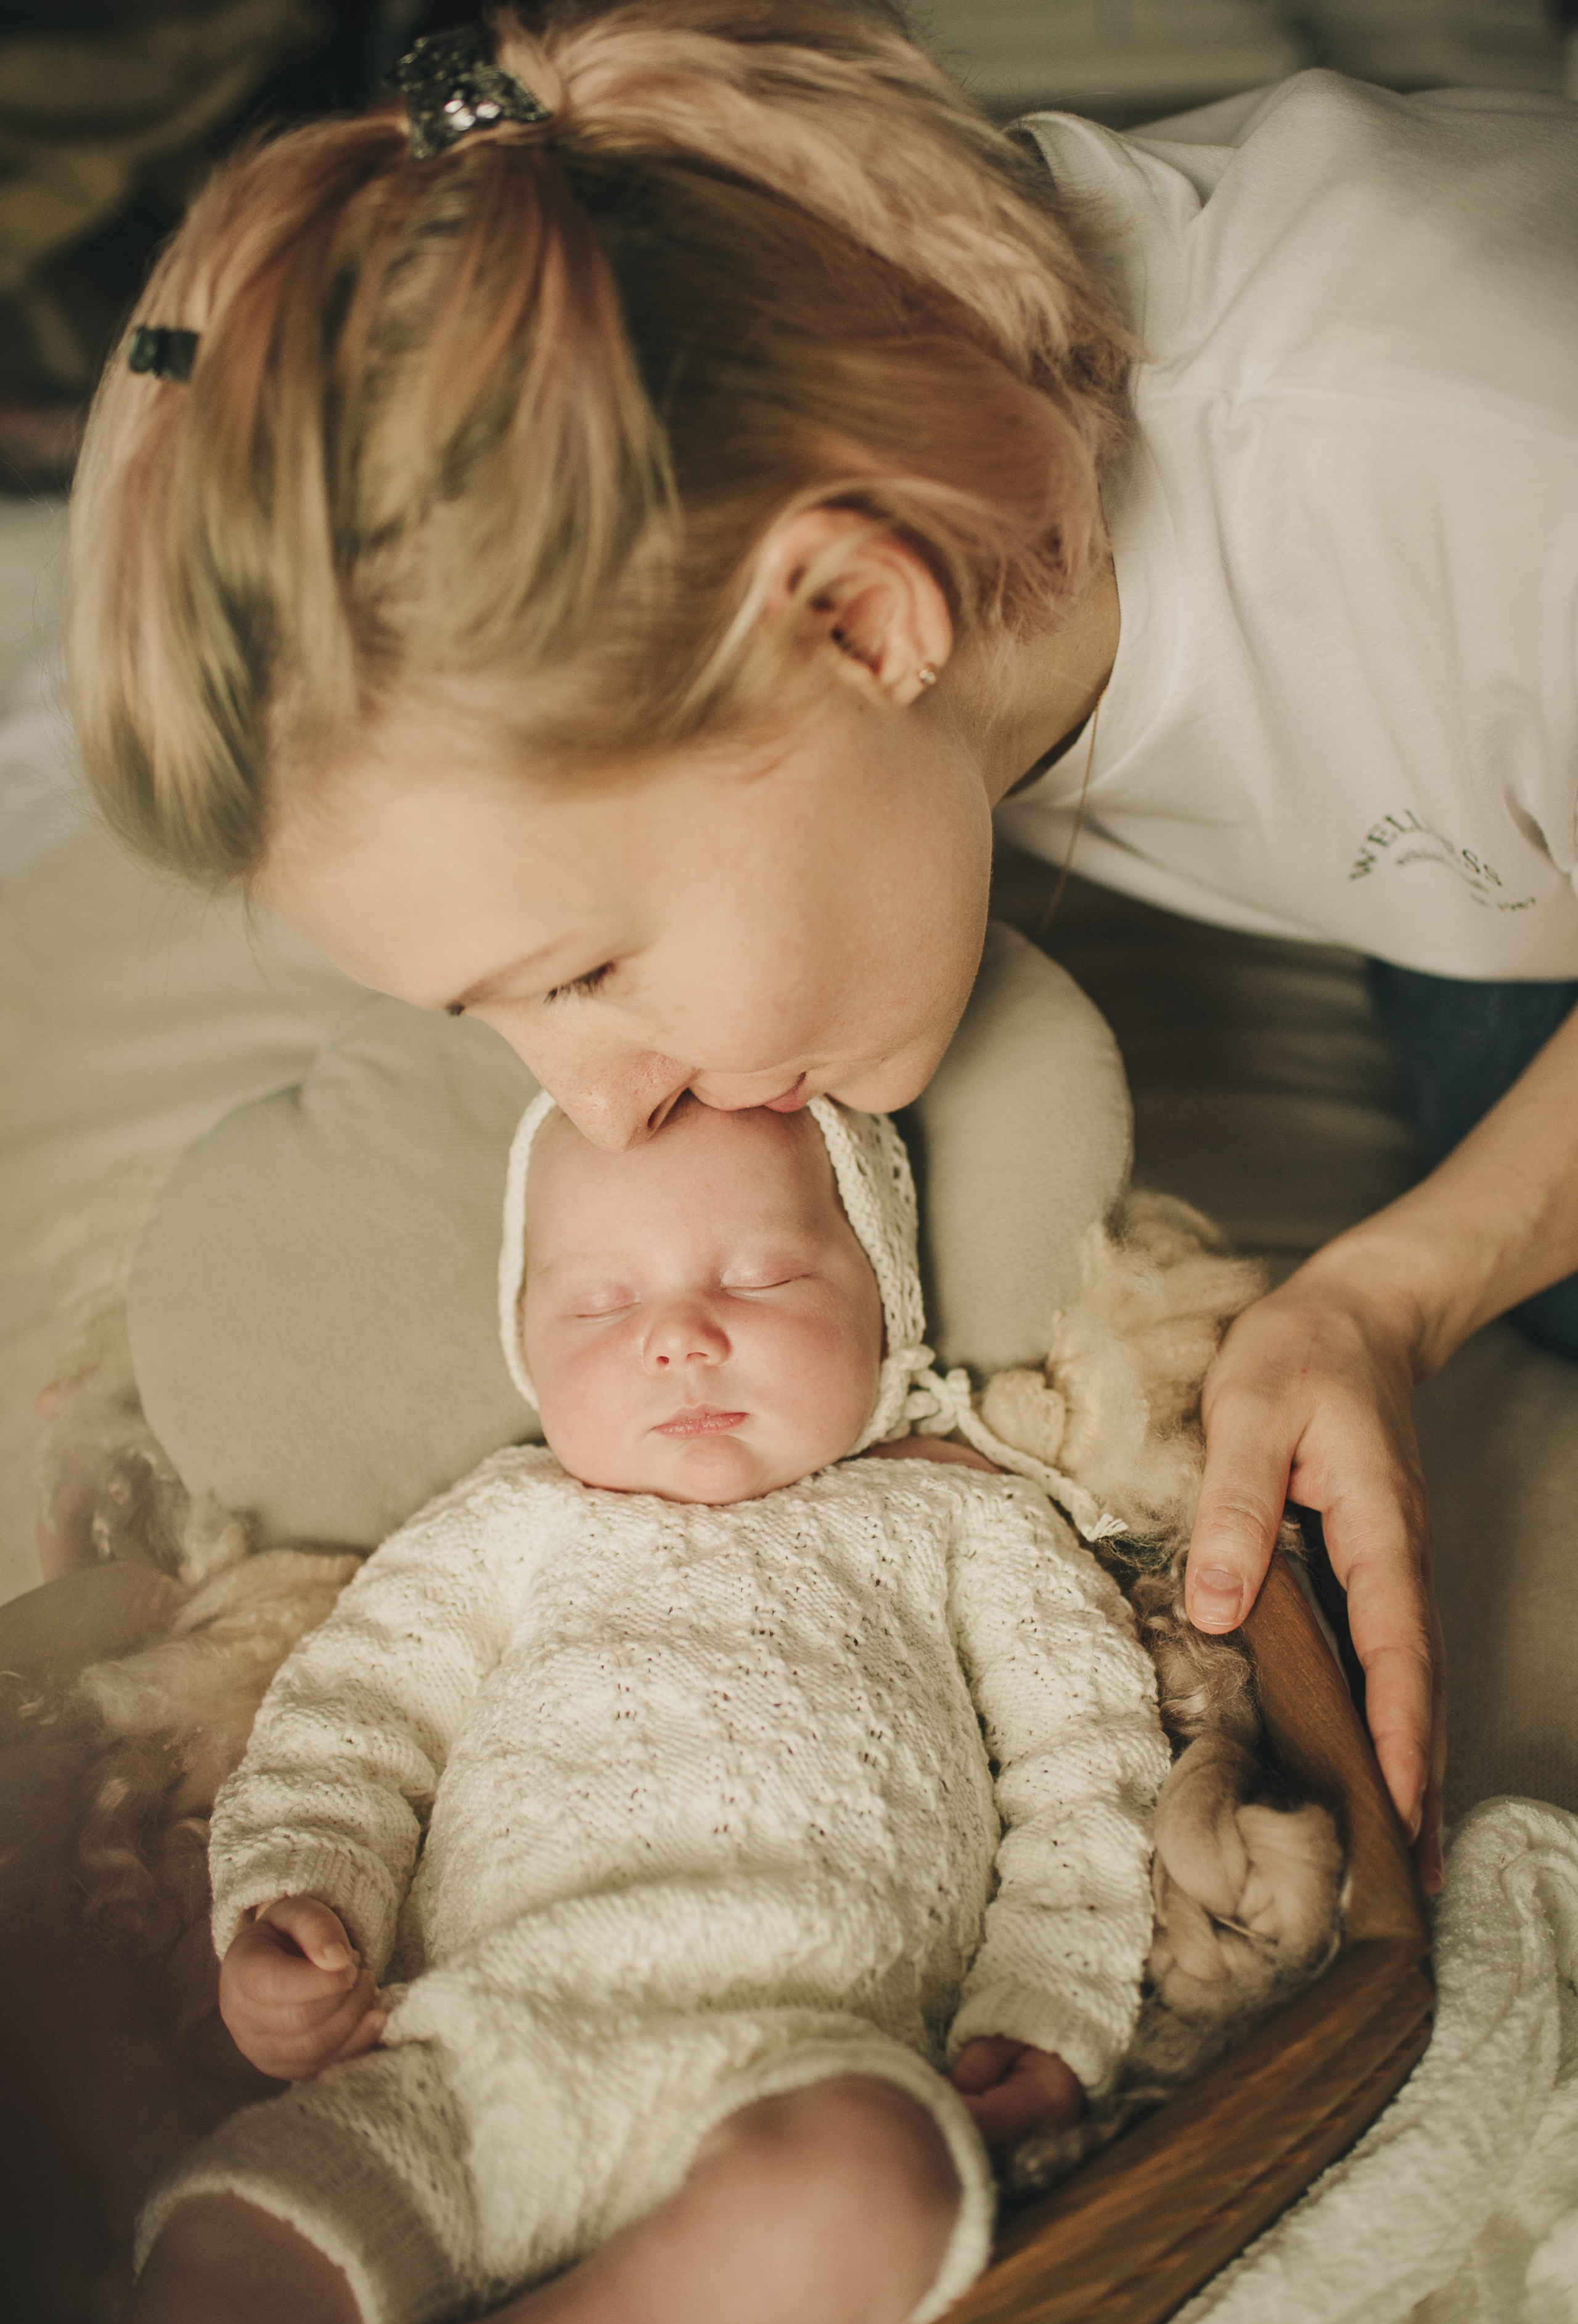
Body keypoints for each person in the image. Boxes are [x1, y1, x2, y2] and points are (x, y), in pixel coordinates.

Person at [65, 3, 1578, 1894]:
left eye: (582, 972)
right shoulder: (783, 404)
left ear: (863, 617)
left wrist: (1408, 1279)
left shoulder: (1490, 468)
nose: (603, 1111)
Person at [112, 1093, 1169, 2324]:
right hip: (463, 2064)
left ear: (882, 1300)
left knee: (878, 2189)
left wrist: (1045, 1992)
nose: (678, 1335)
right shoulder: (504, 1520)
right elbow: (353, 1715)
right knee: (219, 2254)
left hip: (802, 2060)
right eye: (601, 1304)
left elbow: (1090, 1761)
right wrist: (299, 1902)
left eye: (762, 1275)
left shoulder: (962, 1519)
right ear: (525, 1350)